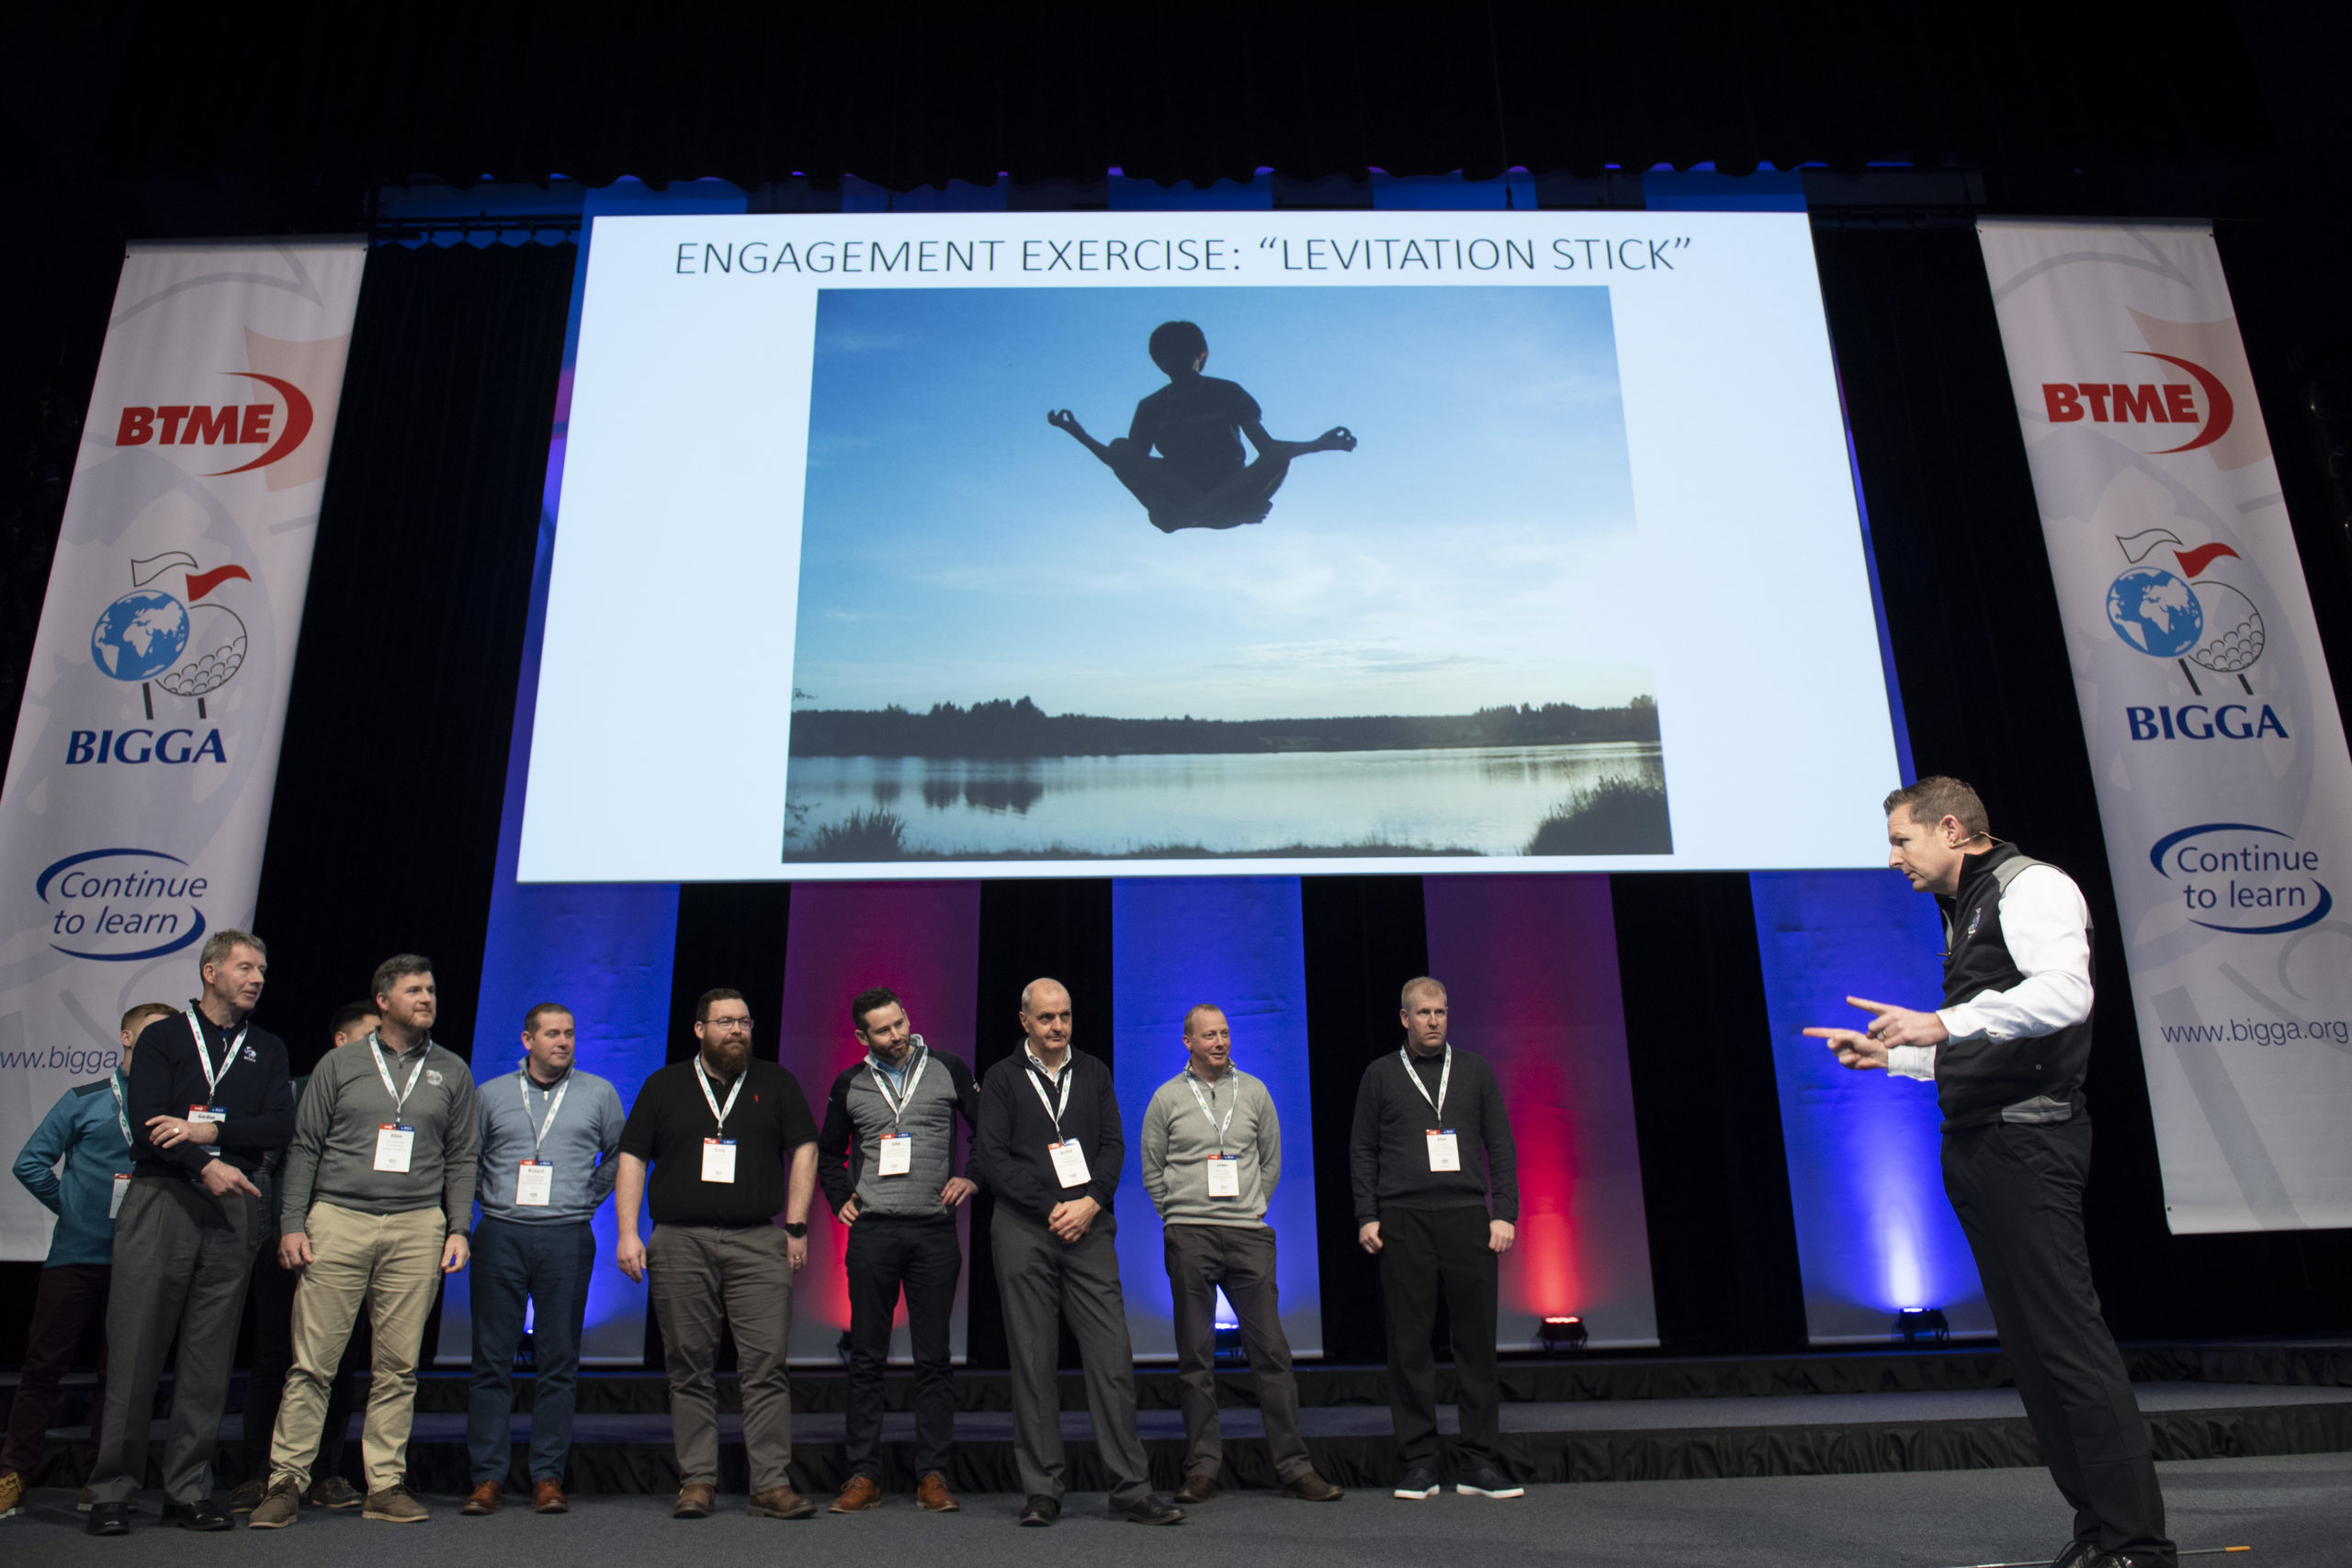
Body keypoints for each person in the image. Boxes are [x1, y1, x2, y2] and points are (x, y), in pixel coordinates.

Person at [1805, 777, 2176, 1568]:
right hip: (1981, 1140)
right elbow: (1989, 1040)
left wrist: (1940, 1022)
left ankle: (2139, 1543)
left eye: (1902, 840)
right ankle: (2099, 1531)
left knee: (2068, 1342)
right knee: (2035, 1352)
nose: (1894, 858)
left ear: (1951, 828)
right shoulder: (1963, 907)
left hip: (2028, 1144)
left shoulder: (2029, 884)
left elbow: (2065, 996)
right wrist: (1899, 1056)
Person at [249, 954, 480, 1529]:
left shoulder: (451, 1069)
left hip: (416, 1226)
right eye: (414, 990)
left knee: (398, 1367)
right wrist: (293, 1223)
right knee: (312, 1364)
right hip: (339, 1219)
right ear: (383, 1000)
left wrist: (458, 1227)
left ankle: (384, 1484)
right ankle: (285, 1482)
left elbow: (462, 1156)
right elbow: (304, 1148)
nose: (427, 998)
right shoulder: (342, 1063)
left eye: (430, 989)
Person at [85, 932, 293, 1536]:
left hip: (235, 1206)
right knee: (136, 1347)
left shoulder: (268, 1047)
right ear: (210, 971)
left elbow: (279, 1123)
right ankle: (112, 1488)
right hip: (164, 1197)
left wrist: (206, 1135)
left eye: (263, 968)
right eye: (245, 966)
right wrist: (206, 1164)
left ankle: (187, 1487)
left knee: (210, 1354)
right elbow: (151, 1121)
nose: (257, 977)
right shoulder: (165, 1036)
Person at [977, 977, 1183, 1528]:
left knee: (1112, 1359)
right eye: (1046, 1018)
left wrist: (1090, 1201)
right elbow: (992, 1158)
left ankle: (1131, 1489)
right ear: (1025, 1021)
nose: (1058, 1027)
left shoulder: (1093, 1071)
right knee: (1034, 1361)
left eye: (1065, 1016)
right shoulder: (1001, 1078)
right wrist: (1052, 1205)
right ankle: (1042, 1490)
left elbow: (1113, 1146)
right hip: (1025, 1229)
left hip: (1089, 1227)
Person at [614, 988, 820, 1521]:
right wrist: (627, 1233)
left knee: (766, 1367)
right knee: (689, 1366)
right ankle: (698, 1481)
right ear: (699, 1029)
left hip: (757, 1240)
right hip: (680, 1241)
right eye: (725, 1021)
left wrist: (796, 1226)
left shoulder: (775, 1082)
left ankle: (770, 1484)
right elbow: (633, 1157)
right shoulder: (664, 1085)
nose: (737, 1030)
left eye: (745, 1022)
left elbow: (804, 1148)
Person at [1140, 1004, 1343, 1505]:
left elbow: (1271, 1159)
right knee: (1196, 1359)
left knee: (1271, 1354)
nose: (1220, 1042)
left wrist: (1254, 1208)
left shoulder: (1254, 1092)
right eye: (1209, 1035)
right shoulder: (1166, 1097)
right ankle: (1202, 1470)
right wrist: (1177, 1215)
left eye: (1226, 1033)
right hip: (1190, 1234)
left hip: (1248, 1234)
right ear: (1187, 1041)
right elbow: (1151, 1166)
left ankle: (1295, 1467)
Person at [1350, 976, 1522, 1503]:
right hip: (1403, 1220)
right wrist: (1366, 1214)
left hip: (1468, 1217)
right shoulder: (1380, 1074)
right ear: (1404, 1018)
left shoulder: (1474, 1071)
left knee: (1476, 1346)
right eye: (1423, 1012)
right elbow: (1362, 1151)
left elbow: (1501, 1143)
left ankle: (1479, 1463)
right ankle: (1420, 1461)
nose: (1433, 1021)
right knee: (1409, 1348)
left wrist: (1505, 1212)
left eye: (1441, 1012)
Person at [0, 1002, 173, 1519]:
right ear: (125, 1037)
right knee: (42, 1369)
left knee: (118, 1377)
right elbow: (29, 1162)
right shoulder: (86, 1100)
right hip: (76, 1256)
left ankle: (101, 1481)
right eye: (151, 1036)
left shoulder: (171, 1109)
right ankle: (13, 1473)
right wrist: (70, 1209)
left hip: (138, 1259)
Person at [816, 986, 981, 1515]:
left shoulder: (949, 1068)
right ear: (862, 1036)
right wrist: (840, 1198)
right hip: (873, 1234)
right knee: (866, 1358)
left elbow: (989, 1134)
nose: (896, 1035)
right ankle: (863, 1475)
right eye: (882, 1030)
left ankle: (932, 1475)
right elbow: (828, 1153)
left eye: (900, 1022)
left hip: (933, 1232)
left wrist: (971, 1178)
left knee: (933, 1359)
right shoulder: (850, 1084)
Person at [461, 1001, 626, 1517]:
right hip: (502, 1233)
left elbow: (622, 1156)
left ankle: (547, 1476)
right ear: (527, 1040)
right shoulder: (490, 1095)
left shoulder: (598, 1093)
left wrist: (586, 1196)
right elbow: (467, 1157)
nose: (563, 1042)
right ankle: (488, 1477)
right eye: (552, 1034)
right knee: (492, 1361)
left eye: (570, 1034)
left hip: (567, 1236)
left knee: (559, 1362)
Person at [230, 1001, 379, 1516]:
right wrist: (277, 1234)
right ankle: (258, 1474)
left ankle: (326, 1473)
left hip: (348, 1246)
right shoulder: (291, 1092)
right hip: (284, 1246)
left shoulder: (381, 1098)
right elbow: (266, 1166)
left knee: (337, 1361)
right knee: (274, 1357)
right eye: (372, 1036)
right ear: (341, 1042)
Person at [1047, 319, 1356, 533]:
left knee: (1278, 455)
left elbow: (1269, 449)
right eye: (1166, 355)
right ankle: (1192, 513)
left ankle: (1195, 515)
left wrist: (1320, 444)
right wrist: (1078, 433)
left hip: (1233, 492)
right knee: (1120, 447)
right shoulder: (1151, 407)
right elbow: (1126, 462)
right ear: (1157, 361)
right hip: (1181, 495)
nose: (1174, 361)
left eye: (1182, 353)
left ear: (1200, 355)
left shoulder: (1227, 392)